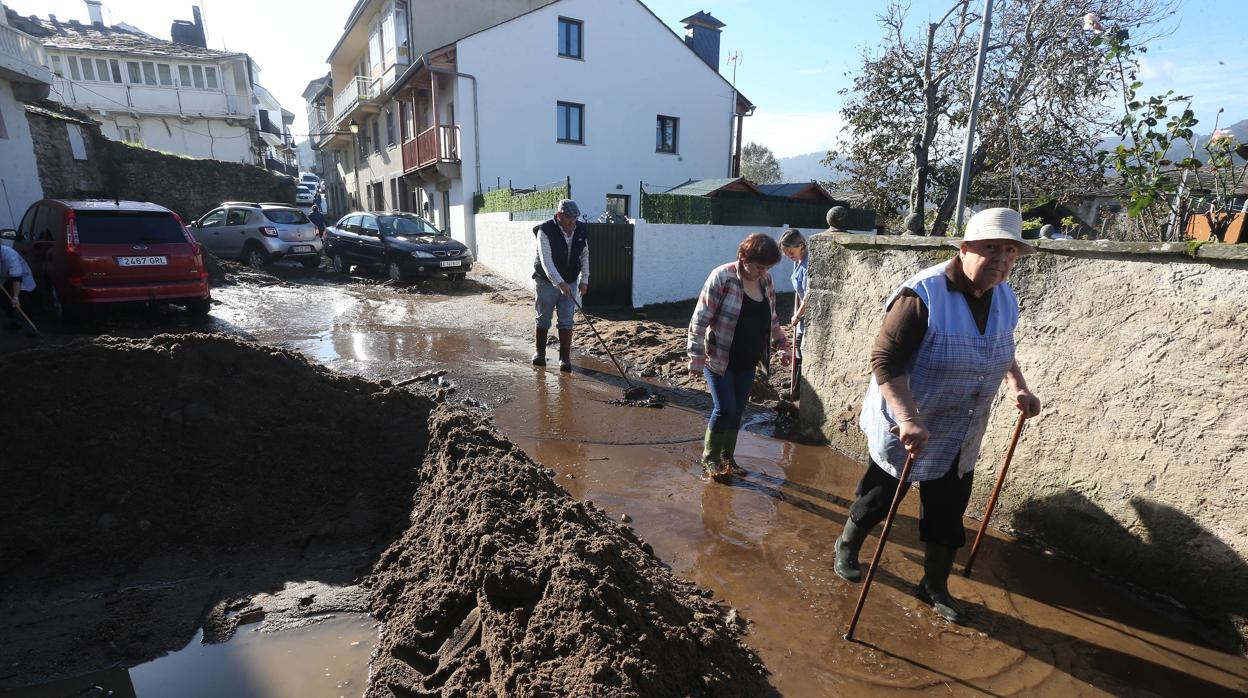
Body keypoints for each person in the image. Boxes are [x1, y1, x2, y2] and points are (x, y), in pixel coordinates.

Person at [834, 207, 1042, 624]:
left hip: (960, 427)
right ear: (963, 249)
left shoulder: (1004, 294)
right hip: (907, 421)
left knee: (948, 513)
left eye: (1010, 251)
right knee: (879, 499)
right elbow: (885, 360)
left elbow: (1002, 343)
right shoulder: (922, 294)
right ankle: (847, 547)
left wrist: (1017, 385)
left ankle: (933, 585)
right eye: (989, 248)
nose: (1001, 259)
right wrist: (908, 418)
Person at [688, 233, 791, 480]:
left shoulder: (766, 282)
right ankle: (710, 459)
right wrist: (695, 357)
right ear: (744, 257)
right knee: (725, 408)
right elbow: (699, 320)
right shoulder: (722, 277)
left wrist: (783, 345)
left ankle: (728, 458)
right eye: (758, 266)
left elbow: (772, 318)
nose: (761, 272)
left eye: (767, 268)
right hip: (719, 358)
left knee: (738, 409)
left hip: (748, 359)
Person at [532, 199, 589, 372]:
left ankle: (564, 359)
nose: (573, 223)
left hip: (571, 280)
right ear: (559, 216)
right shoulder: (545, 231)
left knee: (566, 321)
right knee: (543, 318)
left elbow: (585, 255)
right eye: (569, 220)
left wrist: (584, 280)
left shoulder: (580, 229)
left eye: (575, 219)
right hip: (546, 282)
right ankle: (540, 354)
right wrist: (560, 283)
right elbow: (546, 262)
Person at [780, 229, 808, 399]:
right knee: (797, 347)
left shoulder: (807, 264)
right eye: (785, 253)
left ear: (801, 246)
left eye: (790, 252)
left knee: (803, 350)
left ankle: (798, 391)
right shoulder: (797, 261)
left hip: (807, 316)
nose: (788, 255)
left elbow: (809, 294)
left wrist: (797, 315)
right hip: (800, 314)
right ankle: (794, 381)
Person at [0, 244, 36, 331]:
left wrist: (15, 297)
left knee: (22, 296)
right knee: (2, 298)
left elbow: (16, 278)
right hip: (4, 277)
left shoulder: (10, 254)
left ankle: (30, 323)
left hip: (21, 275)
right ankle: (14, 319)